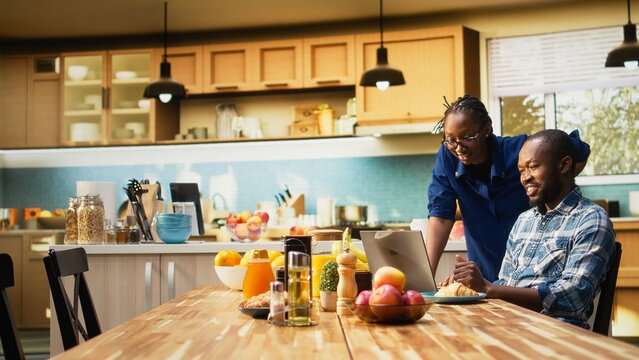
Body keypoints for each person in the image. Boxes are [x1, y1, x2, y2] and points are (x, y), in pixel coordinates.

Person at [452, 129, 615, 329]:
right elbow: (507, 282)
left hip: (556, 335)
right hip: (510, 326)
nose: (525, 178)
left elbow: (573, 296)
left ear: (564, 165)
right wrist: (470, 285)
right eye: (521, 170)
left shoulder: (591, 219)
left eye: (533, 167)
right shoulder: (524, 220)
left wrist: (490, 289)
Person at [427, 95, 590, 282]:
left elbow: (579, 152)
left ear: (487, 128)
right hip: (484, 275)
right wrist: (427, 275)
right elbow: (440, 215)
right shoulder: (448, 159)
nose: (459, 147)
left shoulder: (520, 151)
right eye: (450, 140)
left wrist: (552, 190)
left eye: (467, 137)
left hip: (531, 276)